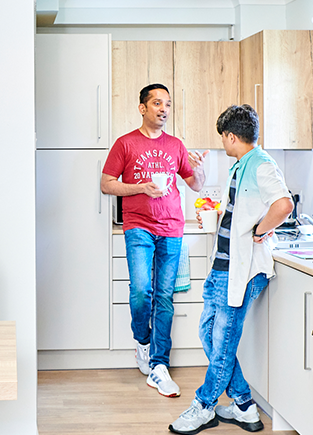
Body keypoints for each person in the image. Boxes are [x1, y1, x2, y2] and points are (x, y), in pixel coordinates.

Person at [170, 105, 293, 434]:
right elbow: (240, 209)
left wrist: (260, 230)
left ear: (231, 136)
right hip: (222, 266)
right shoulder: (241, 166)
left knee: (222, 342)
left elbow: (283, 204)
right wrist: (216, 214)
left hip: (242, 269)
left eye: (223, 138)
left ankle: (204, 405)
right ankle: (244, 405)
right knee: (209, 334)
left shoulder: (262, 165)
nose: (222, 144)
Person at [101, 83, 208, 398]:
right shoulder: (125, 144)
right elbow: (107, 184)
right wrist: (140, 188)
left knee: (164, 296)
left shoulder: (176, 145)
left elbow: (195, 185)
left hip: (172, 227)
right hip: (138, 226)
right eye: (157, 103)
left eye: (168, 104)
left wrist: (200, 171)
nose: (163, 109)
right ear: (142, 108)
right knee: (141, 291)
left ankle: (159, 364)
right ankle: (142, 341)